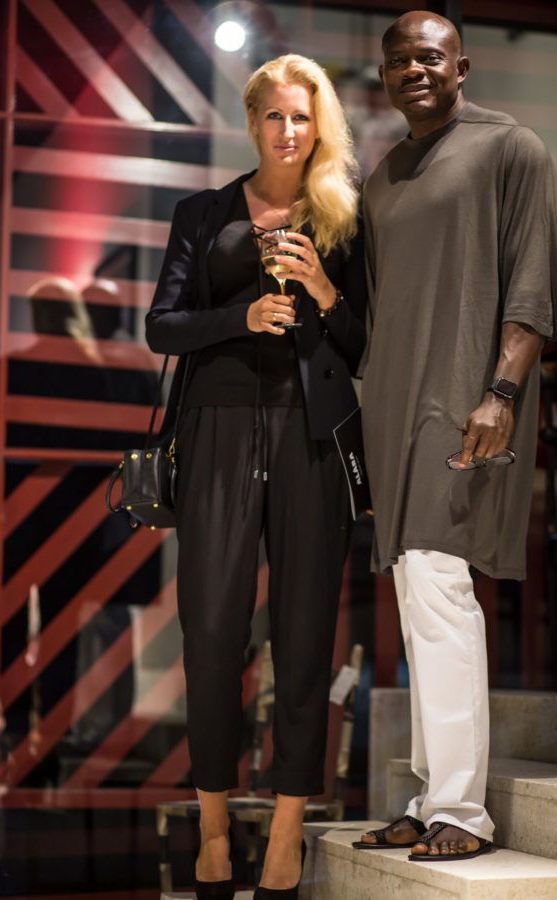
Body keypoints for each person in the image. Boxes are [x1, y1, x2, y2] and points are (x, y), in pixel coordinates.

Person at [146, 55, 366, 898]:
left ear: (319, 125)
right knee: (211, 632)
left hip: (312, 437)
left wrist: (320, 286)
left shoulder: (345, 216)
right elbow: (162, 327)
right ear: (252, 121)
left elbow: (363, 345)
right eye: (274, 115)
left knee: (305, 636)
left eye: (302, 116)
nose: (288, 130)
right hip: (217, 431)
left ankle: (284, 834)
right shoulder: (202, 214)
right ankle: (212, 830)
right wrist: (240, 316)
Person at [357, 11, 557, 861]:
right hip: (394, 407)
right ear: (385, 75)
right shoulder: (383, 176)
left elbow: (534, 286)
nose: (415, 69)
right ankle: (429, 793)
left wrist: (501, 392)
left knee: (441, 584)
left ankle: (462, 812)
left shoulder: (512, 148)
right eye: (400, 60)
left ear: (462, 66)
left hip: (470, 399)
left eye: (430, 56)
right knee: (416, 591)